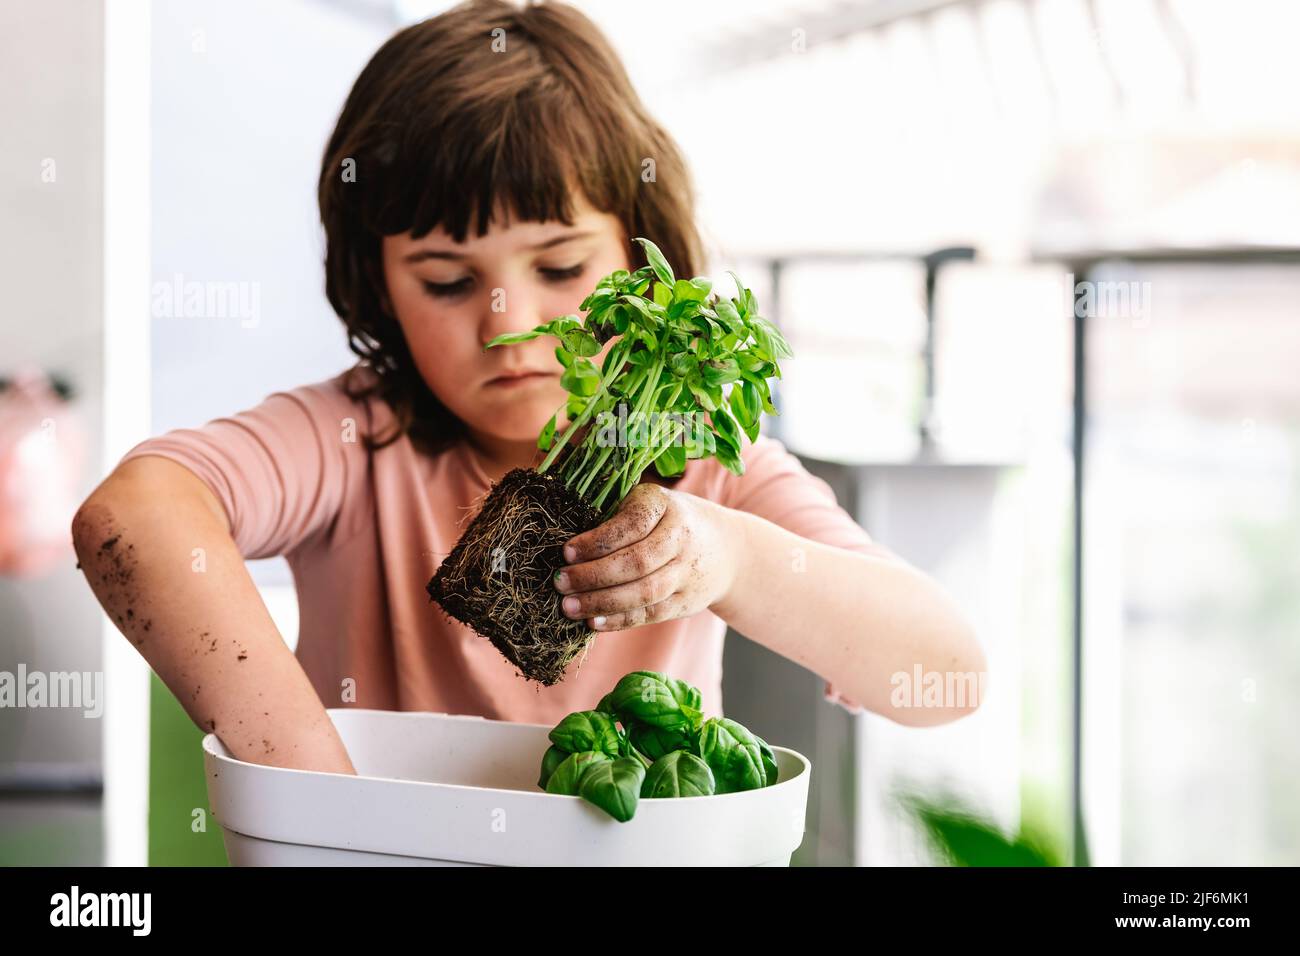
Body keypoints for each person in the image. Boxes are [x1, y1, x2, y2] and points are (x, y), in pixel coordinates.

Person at [71, 0, 985, 776]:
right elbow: (133, 515)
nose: (508, 323)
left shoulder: (706, 465)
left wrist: (736, 559)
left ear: (638, 251)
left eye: (559, 265)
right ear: (376, 284)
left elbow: (945, 672)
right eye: (446, 281)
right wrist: (316, 784)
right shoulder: (351, 440)